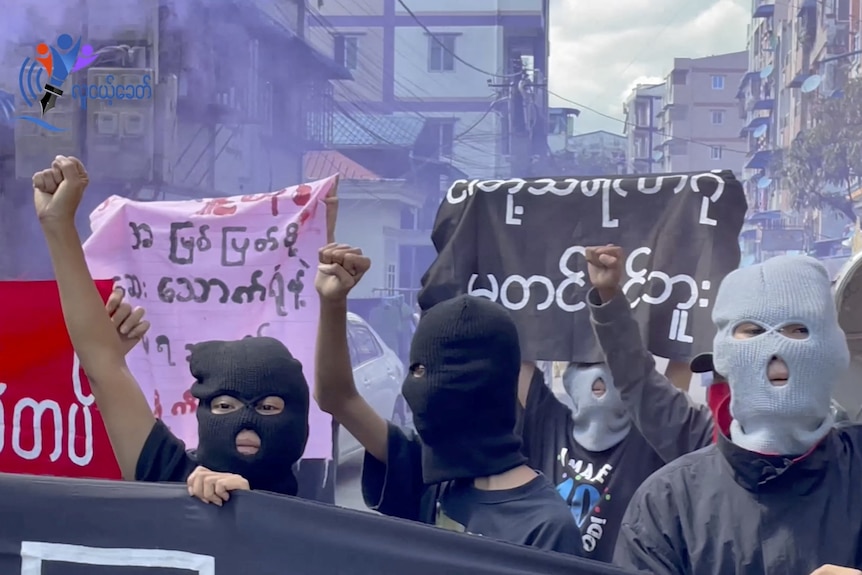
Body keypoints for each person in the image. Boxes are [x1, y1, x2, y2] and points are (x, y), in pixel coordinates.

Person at [32, 156, 310, 504]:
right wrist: (58, 227)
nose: (247, 420)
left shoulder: (326, 524)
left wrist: (256, 509)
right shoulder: (168, 476)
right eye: (225, 405)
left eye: (268, 408)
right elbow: (102, 366)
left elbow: (342, 395)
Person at [584, 245, 862, 574]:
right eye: (753, 334)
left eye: (798, 331)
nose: (774, 352)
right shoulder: (672, 497)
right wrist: (609, 304)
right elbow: (639, 384)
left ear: (833, 350)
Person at [313, 243, 581, 555]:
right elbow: (336, 397)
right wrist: (332, 303)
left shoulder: (547, 528)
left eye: (425, 371)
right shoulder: (430, 475)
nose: (413, 390)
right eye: (415, 370)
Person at [516, 360, 665, 562]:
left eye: (610, 364)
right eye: (585, 364)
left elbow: (671, 394)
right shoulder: (548, 421)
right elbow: (520, 351)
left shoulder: (648, 440)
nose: (598, 373)